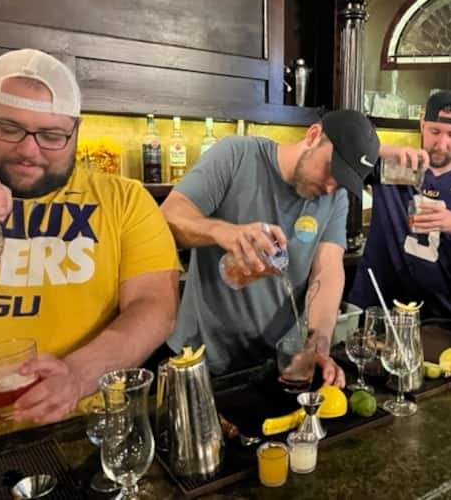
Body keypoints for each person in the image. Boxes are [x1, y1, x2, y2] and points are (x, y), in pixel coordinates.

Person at [0, 49, 181, 444]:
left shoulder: (124, 200)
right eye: (8, 128)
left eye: (51, 136)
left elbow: (154, 305)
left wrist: (78, 375)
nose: (29, 150)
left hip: (79, 434)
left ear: (76, 132)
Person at [160, 110, 381, 385]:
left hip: (277, 364)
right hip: (199, 359)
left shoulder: (335, 198)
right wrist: (224, 232)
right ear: (313, 135)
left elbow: (328, 270)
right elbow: (167, 216)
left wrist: (319, 339)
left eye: (341, 182)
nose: (330, 186)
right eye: (331, 170)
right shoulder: (236, 155)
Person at [348, 90, 451, 320]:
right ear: (422, 125)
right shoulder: (395, 166)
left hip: (443, 320)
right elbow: (335, 148)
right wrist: (385, 150)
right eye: (435, 131)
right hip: (377, 312)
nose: (441, 144)